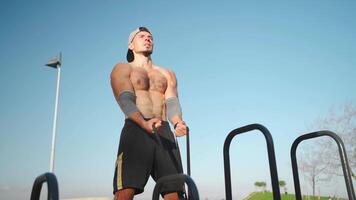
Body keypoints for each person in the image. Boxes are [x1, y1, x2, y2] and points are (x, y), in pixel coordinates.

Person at [110, 27, 188, 200]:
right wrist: (143, 122)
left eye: (150, 37)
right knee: (125, 191)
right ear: (131, 44)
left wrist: (178, 123)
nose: (147, 39)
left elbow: (172, 101)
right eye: (142, 36)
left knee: (174, 193)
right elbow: (125, 100)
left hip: (164, 131)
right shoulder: (123, 68)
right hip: (136, 128)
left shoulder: (167, 73)